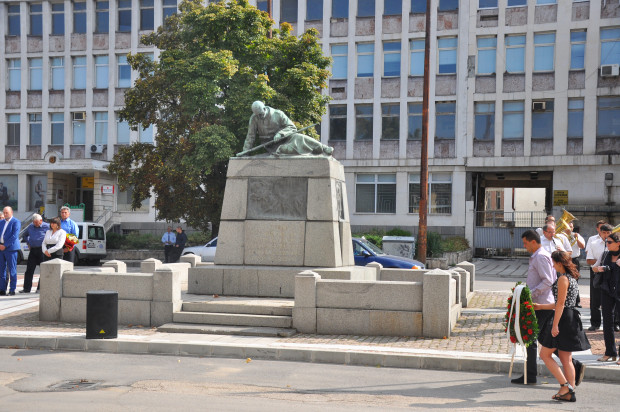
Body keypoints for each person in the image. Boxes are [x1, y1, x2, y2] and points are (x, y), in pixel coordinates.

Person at [512, 230, 585, 386]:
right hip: (543, 305)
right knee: (546, 342)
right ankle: (569, 380)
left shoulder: (542, 258)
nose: (524, 246)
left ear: (533, 241)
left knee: (537, 341)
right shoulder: (540, 258)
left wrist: (531, 294)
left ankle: (540, 377)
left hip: (549, 308)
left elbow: (549, 281)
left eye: (525, 243)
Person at [534, 251, 590, 402]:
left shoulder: (563, 279)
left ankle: (565, 386)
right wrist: (541, 306)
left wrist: (555, 325)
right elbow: (563, 303)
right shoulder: (571, 278)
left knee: (545, 355)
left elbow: (560, 304)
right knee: (566, 358)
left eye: (553, 262)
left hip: (564, 319)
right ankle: (569, 391)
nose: (552, 265)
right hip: (570, 317)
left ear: (559, 263)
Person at [242, 101, 333, 157]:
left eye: (261, 114)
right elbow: (250, 136)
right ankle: (317, 149)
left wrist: (280, 134)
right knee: (287, 150)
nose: (260, 117)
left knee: (299, 137)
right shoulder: (254, 118)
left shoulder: (278, 114)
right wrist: (245, 152)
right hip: (272, 146)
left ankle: (323, 148)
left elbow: (292, 127)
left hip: (285, 139)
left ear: (265, 109)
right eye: (258, 115)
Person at [592, 232, 620, 363]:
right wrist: (599, 269)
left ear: (618, 243)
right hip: (606, 290)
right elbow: (594, 268)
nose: (607, 244)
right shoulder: (605, 255)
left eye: (609, 242)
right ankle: (610, 352)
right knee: (607, 322)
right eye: (606, 242)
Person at [586, 222, 613, 331]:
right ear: (600, 232)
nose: (606, 235)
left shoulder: (615, 243)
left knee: (613, 298)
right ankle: (595, 323)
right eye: (604, 232)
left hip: (612, 273)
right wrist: (602, 262)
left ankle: (615, 323)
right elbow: (589, 260)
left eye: (608, 232)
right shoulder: (594, 243)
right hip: (597, 272)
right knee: (595, 299)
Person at [19, 214, 50, 294]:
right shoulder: (31, 226)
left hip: (42, 250)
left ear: (41, 221)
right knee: (29, 270)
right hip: (33, 250)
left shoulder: (47, 226)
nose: (36, 224)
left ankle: (40, 288)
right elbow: (24, 235)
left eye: (37, 222)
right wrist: (28, 242)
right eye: (34, 222)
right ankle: (26, 288)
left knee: (43, 270)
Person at [0, 207, 21, 296]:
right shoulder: (1, 222)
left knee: (12, 270)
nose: (5, 215)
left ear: (11, 212)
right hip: (1, 248)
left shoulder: (16, 222)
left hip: (11, 249)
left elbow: (14, 236)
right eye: (4, 213)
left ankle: (12, 289)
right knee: (2, 270)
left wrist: (5, 245)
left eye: (7, 213)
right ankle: (2, 289)